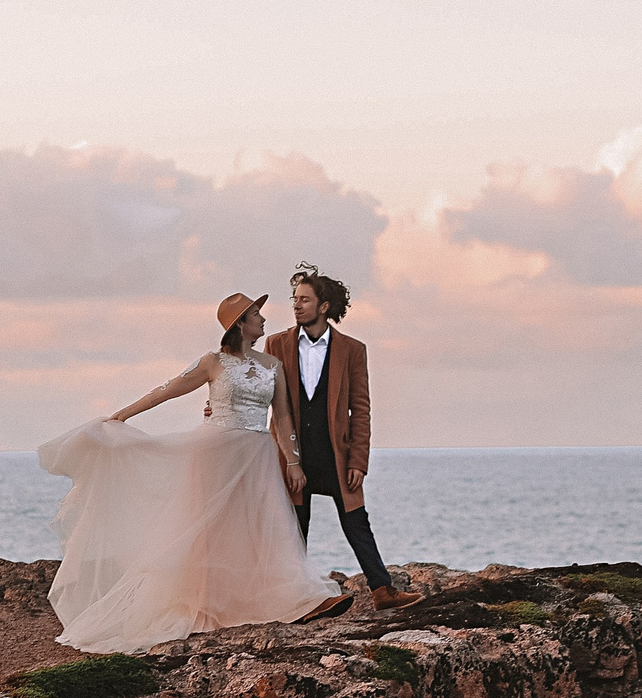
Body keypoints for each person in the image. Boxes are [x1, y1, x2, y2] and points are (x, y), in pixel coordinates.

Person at [38, 292, 351, 651]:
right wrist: (122, 415)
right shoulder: (213, 362)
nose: (263, 321)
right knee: (209, 528)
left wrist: (293, 460)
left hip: (258, 455)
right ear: (240, 324)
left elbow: (281, 417)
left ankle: (295, 599)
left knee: (264, 525)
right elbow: (167, 390)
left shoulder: (272, 365)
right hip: (216, 452)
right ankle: (203, 605)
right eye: (255, 315)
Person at [264, 263, 422, 614]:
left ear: (324, 306)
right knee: (295, 526)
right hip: (293, 453)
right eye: (294, 299)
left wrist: (358, 461)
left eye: (304, 299)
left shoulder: (352, 349)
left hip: (337, 453)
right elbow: (264, 394)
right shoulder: (276, 343)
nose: (296, 305)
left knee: (356, 521)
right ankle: (291, 600)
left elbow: (361, 409)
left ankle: (382, 590)